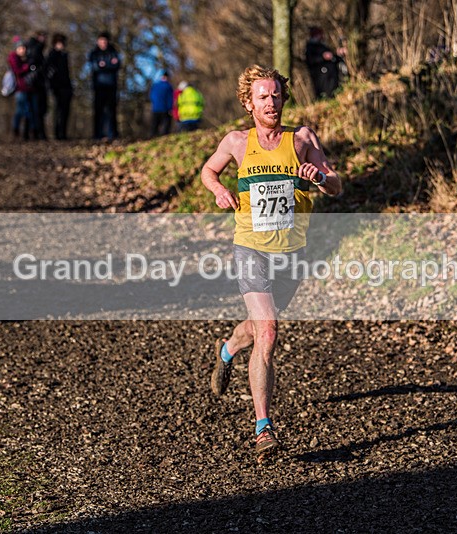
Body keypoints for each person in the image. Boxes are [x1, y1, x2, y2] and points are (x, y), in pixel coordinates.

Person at [200, 64, 342, 460]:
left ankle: (228, 349)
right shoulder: (236, 142)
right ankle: (263, 428)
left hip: (292, 252)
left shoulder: (302, 139)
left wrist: (319, 178)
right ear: (249, 103)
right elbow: (208, 171)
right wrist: (218, 190)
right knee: (269, 329)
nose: (271, 102)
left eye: (276, 95)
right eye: (263, 96)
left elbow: (336, 185)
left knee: (257, 327)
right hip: (250, 248)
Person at [88, 31, 120, 140]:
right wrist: (109, 64)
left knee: (111, 110)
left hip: (111, 86)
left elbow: (117, 65)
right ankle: (98, 134)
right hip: (99, 86)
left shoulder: (113, 52)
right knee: (99, 110)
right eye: (101, 40)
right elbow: (96, 67)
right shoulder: (94, 53)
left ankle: (112, 134)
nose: (103, 43)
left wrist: (104, 65)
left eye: (105, 41)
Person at [45, 33, 73, 140]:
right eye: (59, 43)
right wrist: (53, 85)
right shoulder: (52, 55)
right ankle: (58, 133)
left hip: (66, 87)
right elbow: (48, 72)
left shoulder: (64, 55)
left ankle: (63, 133)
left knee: (65, 111)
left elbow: (67, 73)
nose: (61, 45)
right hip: (57, 87)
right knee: (59, 110)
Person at [8, 36, 36, 140]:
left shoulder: (25, 58)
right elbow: (18, 71)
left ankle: (24, 132)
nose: (23, 50)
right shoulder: (14, 58)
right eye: (21, 48)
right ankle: (17, 130)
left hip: (27, 88)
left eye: (24, 48)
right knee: (22, 110)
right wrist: (27, 66)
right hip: (20, 89)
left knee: (24, 111)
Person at [304, 26, 344, 100]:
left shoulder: (323, 46)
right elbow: (311, 60)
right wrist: (323, 57)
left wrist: (338, 55)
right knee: (325, 95)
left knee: (333, 92)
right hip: (321, 77)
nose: (321, 36)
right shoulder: (311, 47)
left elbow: (333, 57)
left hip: (331, 75)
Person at [27, 31, 48, 140]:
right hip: (36, 84)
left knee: (38, 109)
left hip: (38, 83)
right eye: (43, 37)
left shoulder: (36, 48)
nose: (45, 39)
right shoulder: (36, 48)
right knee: (37, 109)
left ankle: (36, 133)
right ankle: (36, 133)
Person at [149, 70, 173, 137]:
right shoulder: (168, 86)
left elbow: (151, 96)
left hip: (155, 108)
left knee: (155, 125)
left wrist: (154, 104)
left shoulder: (155, 85)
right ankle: (165, 137)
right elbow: (170, 98)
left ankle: (152, 137)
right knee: (166, 125)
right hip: (165, 109)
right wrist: (170, 108)